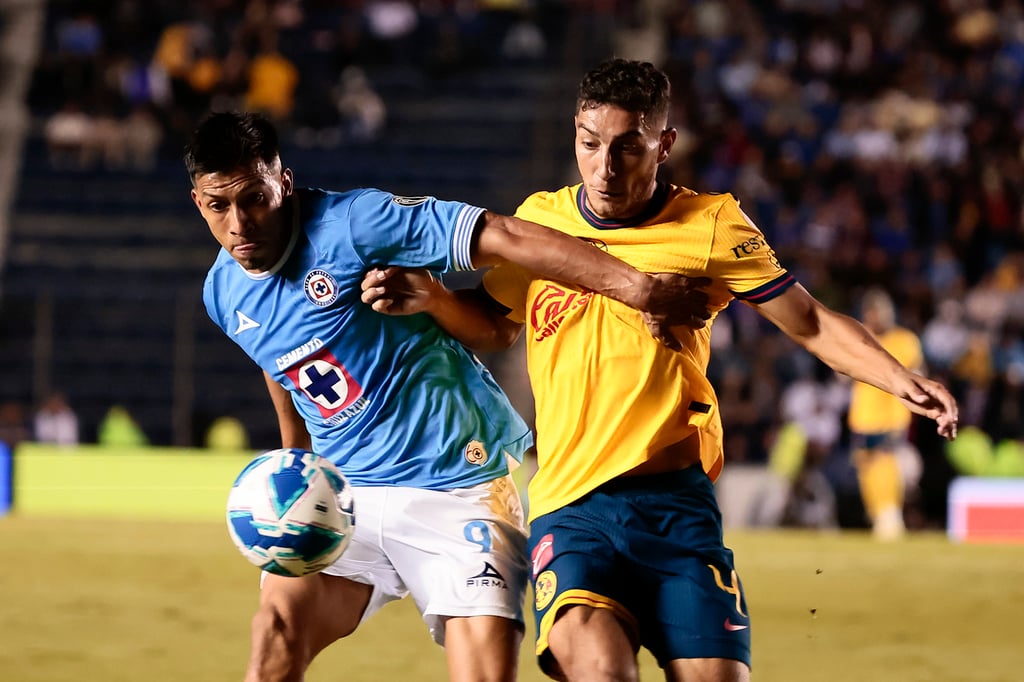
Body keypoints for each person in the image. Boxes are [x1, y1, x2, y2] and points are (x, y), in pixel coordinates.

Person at [360, 58, 960, 682]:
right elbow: (495, 325)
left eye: (628, 147)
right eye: (590, 145)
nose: (605, 167)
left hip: (677, 507)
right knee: (600, 669)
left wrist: (899, 378)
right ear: (575, 134)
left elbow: (808, 323)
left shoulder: (711, 226)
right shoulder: (540, 222)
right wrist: (434, 299)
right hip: (573, 505)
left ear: (664, 144)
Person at [184, 110, 710, 682]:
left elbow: (507, 236)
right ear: (198, 202)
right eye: (219, 206)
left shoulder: (356, 223)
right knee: (273, 639)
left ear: (282, 182)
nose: (240, 223)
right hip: (345, 494)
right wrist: (296, 459)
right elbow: (279, 359)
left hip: (461, 482)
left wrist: (638, 288)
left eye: (254, 198)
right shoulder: (223, 289)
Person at [847, 287, 925, 540]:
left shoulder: (904, 340)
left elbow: (917, 375)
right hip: (863, 417)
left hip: (891, 417)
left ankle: (890, 514)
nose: (874, 317)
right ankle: (877, 514)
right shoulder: (861, 338)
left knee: (887, 464)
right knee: (866, 467)